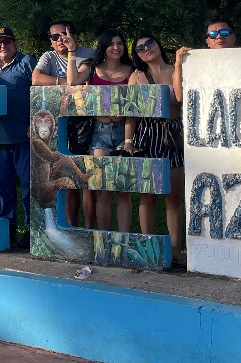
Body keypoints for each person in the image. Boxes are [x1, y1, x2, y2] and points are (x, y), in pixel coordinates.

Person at [124, 34, 186, 262]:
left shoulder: (177, 69)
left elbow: (182, 99)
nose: (146, 48)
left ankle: (176, 249)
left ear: (159, 44)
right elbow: (131, 112)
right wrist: (128, 142)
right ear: (137, 55)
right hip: (147, 134)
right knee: (147, 196)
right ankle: (147, 248)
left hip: (173, 133)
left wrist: (179, 64)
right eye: (140, 48)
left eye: (149, 43)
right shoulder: (137, 76)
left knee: (173, 197)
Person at [32, 19, 96, 227]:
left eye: (65, 34)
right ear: (50, 42)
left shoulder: (88, 53)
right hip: (60, 125)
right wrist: (63, 83)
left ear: (75, 35)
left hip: (86, 123)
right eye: (55, 37)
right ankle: (70, 225)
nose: (61, 39)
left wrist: (71, 53)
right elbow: (36, 78)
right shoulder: (48, 57)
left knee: (86, 178)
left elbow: (80, 80)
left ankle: (88, 228)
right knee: (65, 176)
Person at [75, 30, 135, 233]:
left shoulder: (132, 71)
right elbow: (72, 81)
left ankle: (124, 238)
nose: (116, 48)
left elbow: (134, 109)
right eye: (111, 44)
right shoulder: (92, 69)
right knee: (102, 188)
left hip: (124, 130)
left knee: (122, 189)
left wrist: (128, 140)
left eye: (120, 43)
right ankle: (104, 237)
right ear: (103, 47)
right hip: (99, 132)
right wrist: (72, 52)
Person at [0, 27, 37, 247]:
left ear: (15, 44)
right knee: (2, 189)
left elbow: (39, 93)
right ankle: (7, 231)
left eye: (6, 42)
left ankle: (33, 232)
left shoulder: (27, 63)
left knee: (29, 187)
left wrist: (34, 122)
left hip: (24, 137)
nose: (2, 46)